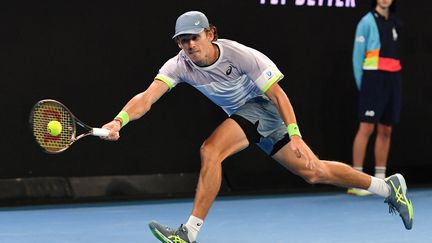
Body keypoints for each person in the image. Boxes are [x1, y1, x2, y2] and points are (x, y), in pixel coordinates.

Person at [101, 10, 413, 242]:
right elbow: (147, 97)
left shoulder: (240, 55)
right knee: (314, 172)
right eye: (182, 41)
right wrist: (120, 120)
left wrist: (296, 135)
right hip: (249, 118)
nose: (188, 46)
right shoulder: (179, 65)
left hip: (263, 108)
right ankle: (387, 188)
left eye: (193, 38)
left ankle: (188, 233)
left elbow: (278, 94)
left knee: (210, 150)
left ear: (210, 33)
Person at [348, 0, 403, 196]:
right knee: (366, 127)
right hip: (372, 80)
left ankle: (381, 181)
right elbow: (357, 57)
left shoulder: (396, 23)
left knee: (386, 129)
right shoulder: (366, 22)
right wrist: (363, 86)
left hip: (392, 80)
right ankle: (356, 180)